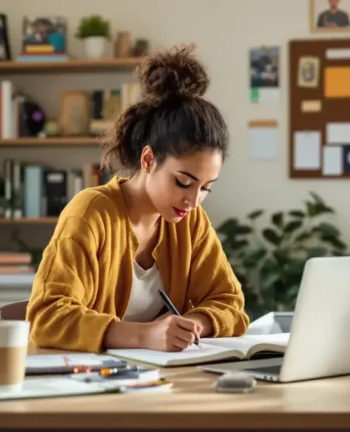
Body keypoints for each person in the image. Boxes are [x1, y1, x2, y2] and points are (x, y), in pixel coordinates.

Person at [25, 44, 250, 353]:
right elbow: (46, 317)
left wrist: (191, 326)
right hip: (89, 384)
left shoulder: (190, 221)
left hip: (163, 382)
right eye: (183, 182)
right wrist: (145, 336)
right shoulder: (91, 214)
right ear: (148, 160)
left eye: (206, 187)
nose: (193, 200)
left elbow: (230, 303)